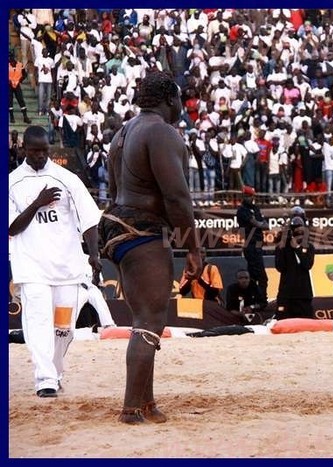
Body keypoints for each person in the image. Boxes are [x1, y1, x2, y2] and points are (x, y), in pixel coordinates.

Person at [98, 70, 203, 424]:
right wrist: (192, 247)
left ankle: (146, 403)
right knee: (149, 320)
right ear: (170, 99)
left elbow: (114, 192)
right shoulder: (161, 131)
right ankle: (131, 408)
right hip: (142, 230)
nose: (181, 108)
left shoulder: (121, 133)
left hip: (116, 226)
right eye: (179, 102)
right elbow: (177, 196)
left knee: (147, 320)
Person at [9, 125, 102, 398]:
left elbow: (88, 218)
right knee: (38, 323)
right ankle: (45, 378)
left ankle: (56, 369)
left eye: (44, 150)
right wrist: (37, 202)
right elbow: (11, 228)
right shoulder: (12, 182)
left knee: (64, 328)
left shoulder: (67, 178)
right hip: (32, 267)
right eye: (34, 151)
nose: (40, 156)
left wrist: (94, 254)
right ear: (23, 149)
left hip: (67, 267)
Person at [274, 215, 316, 319]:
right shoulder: (282, 247)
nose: (299, 234)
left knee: (306, 324)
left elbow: (307, 265)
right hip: (286, 294)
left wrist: (297, 248)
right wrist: (284, 243)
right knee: (282, 322)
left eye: (301, 230)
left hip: (303, 295)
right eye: (295, 230)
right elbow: (280, 267)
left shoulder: (309, 247)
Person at [236, 186, 269, 304]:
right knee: (261, 277)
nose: (248, 198)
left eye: (250, 196)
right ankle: (261, 300)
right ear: (243, 196)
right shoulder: (242, 210)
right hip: (250, 245)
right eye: (246, 196)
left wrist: (259, 224)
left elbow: (265, 225)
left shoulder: (255, 208)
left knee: (253, 277)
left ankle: (253, 300)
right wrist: (259, 224)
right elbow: (256, 223)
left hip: (258, 245)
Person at [78, 254, 116, 329]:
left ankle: (108, 324)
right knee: (77, 301)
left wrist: (97, 273)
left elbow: (97, 283)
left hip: (91, 287)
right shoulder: (73, 258)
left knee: (98, 297)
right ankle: (67, 326)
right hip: (77, 287)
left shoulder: (93, 260)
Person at [9, 50, 33, 124]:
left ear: (14, 57)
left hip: (17, 85)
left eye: (12, 56)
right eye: (9, 57)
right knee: (9, 101)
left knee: (21, 100)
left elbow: (24, 74)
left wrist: (19, 81)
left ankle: (25, 117)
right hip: (9, 86)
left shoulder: (19, 65)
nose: (10, 58)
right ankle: (12, 117)